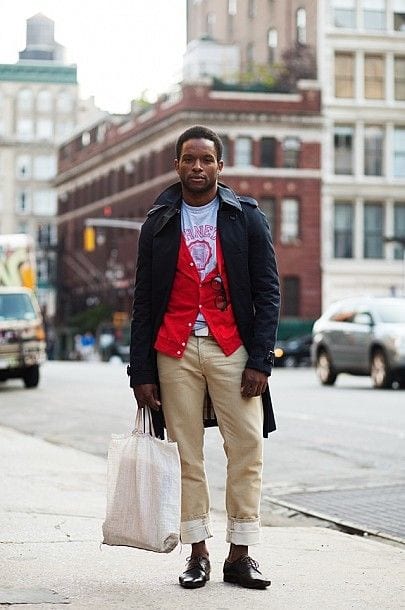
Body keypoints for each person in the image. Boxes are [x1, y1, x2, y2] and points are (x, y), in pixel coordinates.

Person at [128, 125, 280, 590]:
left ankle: (240, 553)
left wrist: (260, 360)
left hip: (232, 346)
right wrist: (142, 371)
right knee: (185, 455)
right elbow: (144, 301)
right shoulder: (157, 223)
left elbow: (268, 292)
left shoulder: (245, 217)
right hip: (173, 348)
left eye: (205, 160)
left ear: (219, 165)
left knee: (247, 448)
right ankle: (197, 552)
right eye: (188, 160)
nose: (197, 168)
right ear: (177, 165)